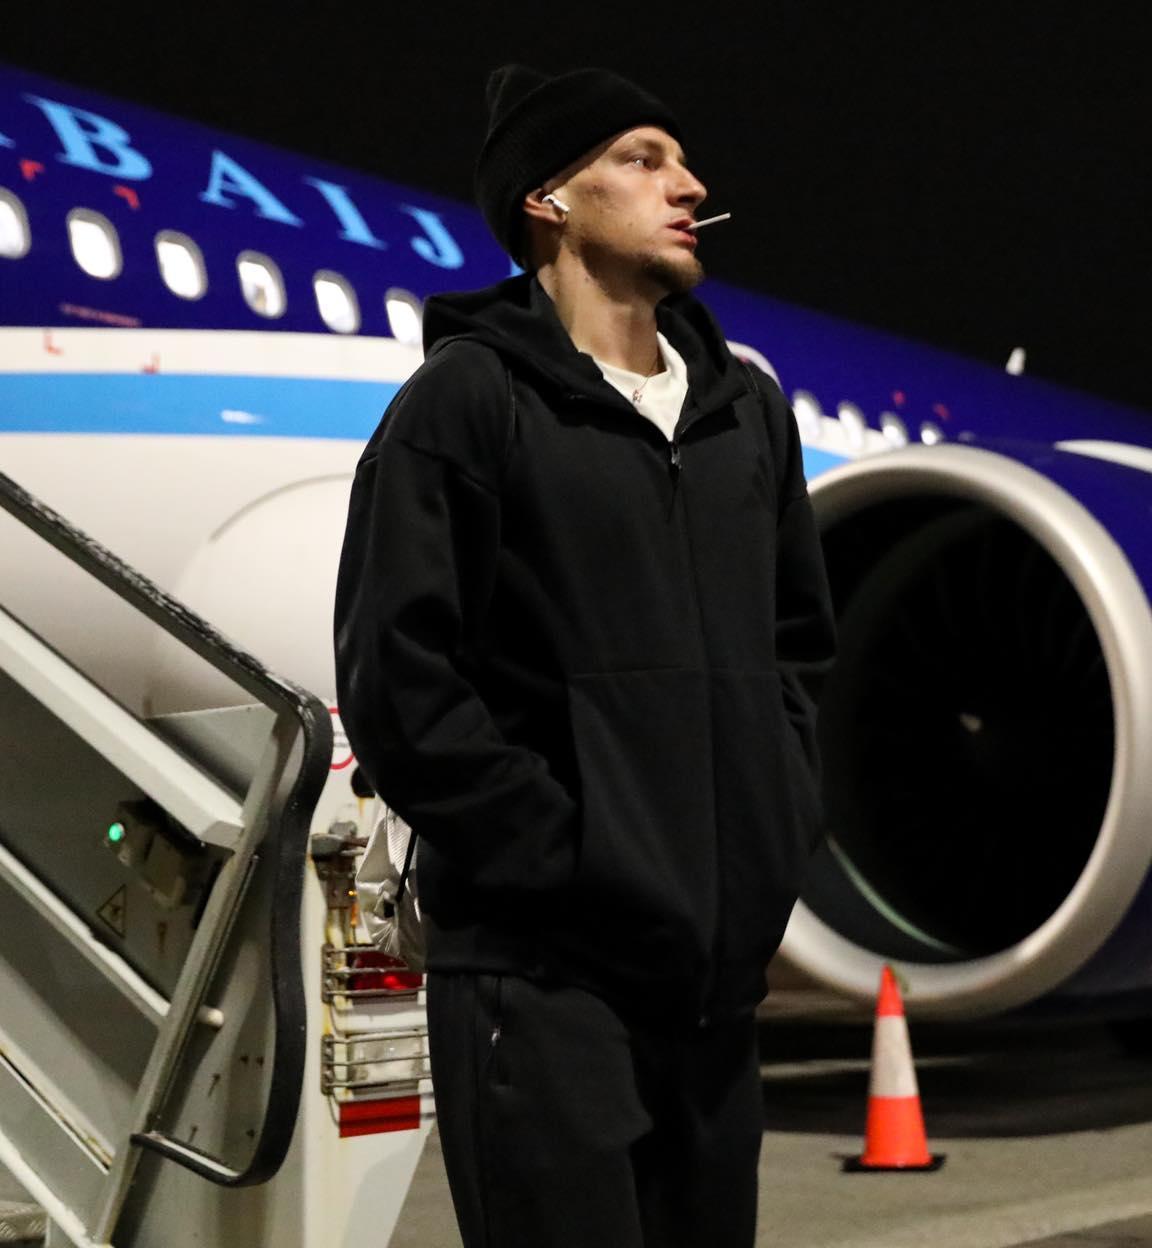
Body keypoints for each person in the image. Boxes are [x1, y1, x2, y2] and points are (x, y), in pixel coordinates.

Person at [334, 65, 836, 1248]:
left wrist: (770, 831)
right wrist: (567, 863)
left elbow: (800, 656)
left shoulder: (746, 415)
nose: (690, 187)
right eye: (644, 159)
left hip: (712, 991)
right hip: (543, 979)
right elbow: (401, 683)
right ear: (547, 199)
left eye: (682, 162)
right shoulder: (464, 403)